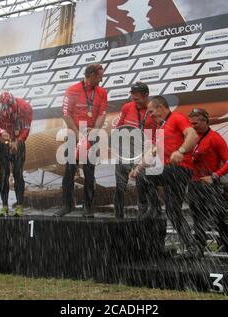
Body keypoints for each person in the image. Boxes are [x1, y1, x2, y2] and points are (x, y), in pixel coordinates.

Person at [130, 96, 199, 255]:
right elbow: (152, 151)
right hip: (171, 174)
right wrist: (137, 167)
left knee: (144, 177)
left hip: (180, 170)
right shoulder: (161, 128)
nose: (150, 115)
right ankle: (192, 247)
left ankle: (152, 209)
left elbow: (192, 135)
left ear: (161, 107)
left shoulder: (177, 118)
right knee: (173, 213)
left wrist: (180, 151)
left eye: (152, 112)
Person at [54, 63, 108, 218]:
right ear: (90, 75)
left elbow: (101, 114)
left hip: (91, 134)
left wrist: (95, 130)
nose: (101, 79)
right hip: (74, 134)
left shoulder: (102, 92)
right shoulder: (72, 90)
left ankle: (88, 207)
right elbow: (66, 114)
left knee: (89, 172)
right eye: (99, 76)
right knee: (69, 171)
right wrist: (78, 134)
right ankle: (67, 205)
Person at [188, 108, 228, 255]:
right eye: (191, 123)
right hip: (194, 185)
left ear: (205, 121)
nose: (192, 126)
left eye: (195, 123)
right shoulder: (190, 137)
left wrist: (214, 176)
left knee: (218, 219)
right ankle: (199, 251)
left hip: (210, 185)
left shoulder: (215, 138)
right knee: (197, 220)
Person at [113, 82, 160, 219]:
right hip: (125, 153)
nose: (135, 102)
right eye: (133, 99)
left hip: (144, 153)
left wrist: (150, 150)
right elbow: (119, 127)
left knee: (144, 184)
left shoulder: (154, 110)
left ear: (146, 96)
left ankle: (146, 214)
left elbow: (159, 134)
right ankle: (118, 216)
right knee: (120, 185)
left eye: (137, 100)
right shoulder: (127, 107)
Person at [0, 91, 33, 217]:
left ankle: (19, 206)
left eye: (10, 109)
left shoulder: (25, 106)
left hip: (18, 141)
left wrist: (18, 141)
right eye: (5, 109)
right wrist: (1, 131)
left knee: (18, 173)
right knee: (4, 174)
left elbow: (26, 128)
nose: (8, 112)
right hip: (3, 141)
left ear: (14, 103)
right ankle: (4, 206)